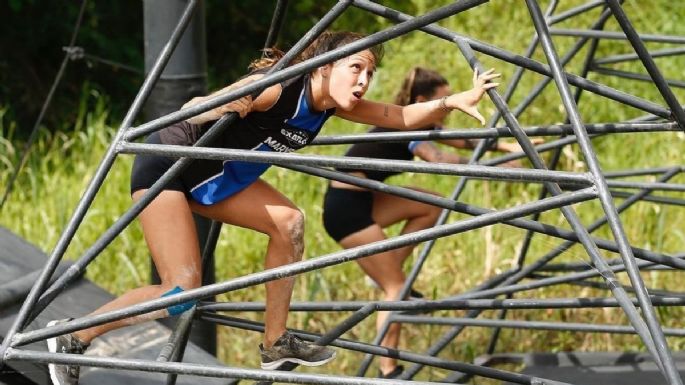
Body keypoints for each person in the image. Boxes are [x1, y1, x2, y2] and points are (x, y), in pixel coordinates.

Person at [46, 32, 500, 385]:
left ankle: (275, 342)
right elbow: (191, 107)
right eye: (356, 69)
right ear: (325, 67)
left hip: (220, 179)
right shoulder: (280, 87)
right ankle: (73, 335)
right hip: (171, 167)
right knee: (180, 290)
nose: (363, 82)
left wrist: (451, 102)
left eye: (370, 74)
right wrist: (221, 106)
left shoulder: (332, 106)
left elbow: (396, 118)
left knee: (289, 222)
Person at [322, 67, 525, 379]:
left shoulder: (417, 121)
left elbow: (459, 142)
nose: (449, 106)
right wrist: (495, 166)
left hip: (365, 200)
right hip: (345, 210)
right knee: (396, 288)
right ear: (421, 100)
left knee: (431, 205)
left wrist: (504, 147)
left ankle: (391, 271)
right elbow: (440, 159)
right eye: (445, 101)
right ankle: (388, 370)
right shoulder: (409, 125)